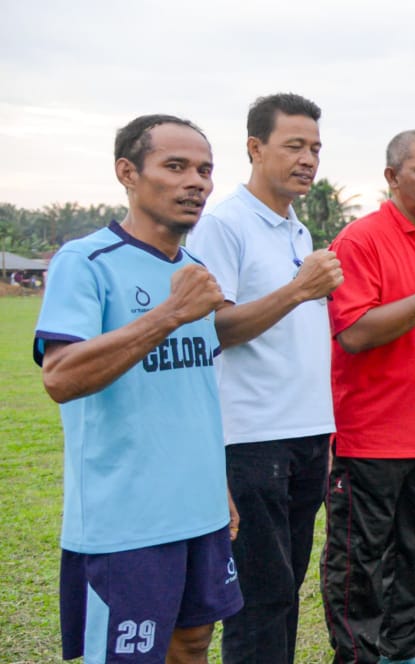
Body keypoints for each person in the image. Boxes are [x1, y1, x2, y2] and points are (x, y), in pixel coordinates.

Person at [35, 114, 240, 663]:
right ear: (127, 172)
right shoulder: (87, 261)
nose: (195, 181)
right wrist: (170, 313)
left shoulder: (195, 268)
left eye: (204, 169)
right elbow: (60, 377)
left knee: (194, 641)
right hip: (126, 520)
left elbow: (192, 391)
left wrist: (215, 485)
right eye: (175, 167)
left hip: (199, 507)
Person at [185, 92, 342, 664]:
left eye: (316, 148)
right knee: (259, 594)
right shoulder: (224, 225)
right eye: (294, 145)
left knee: (286, 586)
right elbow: (214, 328)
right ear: (254, 147)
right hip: (251, 438)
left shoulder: (296, 230)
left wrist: (323, 430)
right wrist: (299, 289)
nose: (308, 159)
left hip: (305, 433)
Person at [322, 130, 415, 664]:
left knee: (412, 548)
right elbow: (355, 333)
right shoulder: (360, 240)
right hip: (370, 436)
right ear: (391, 177)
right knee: (358, 561)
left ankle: (405, 647)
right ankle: (358, 656)